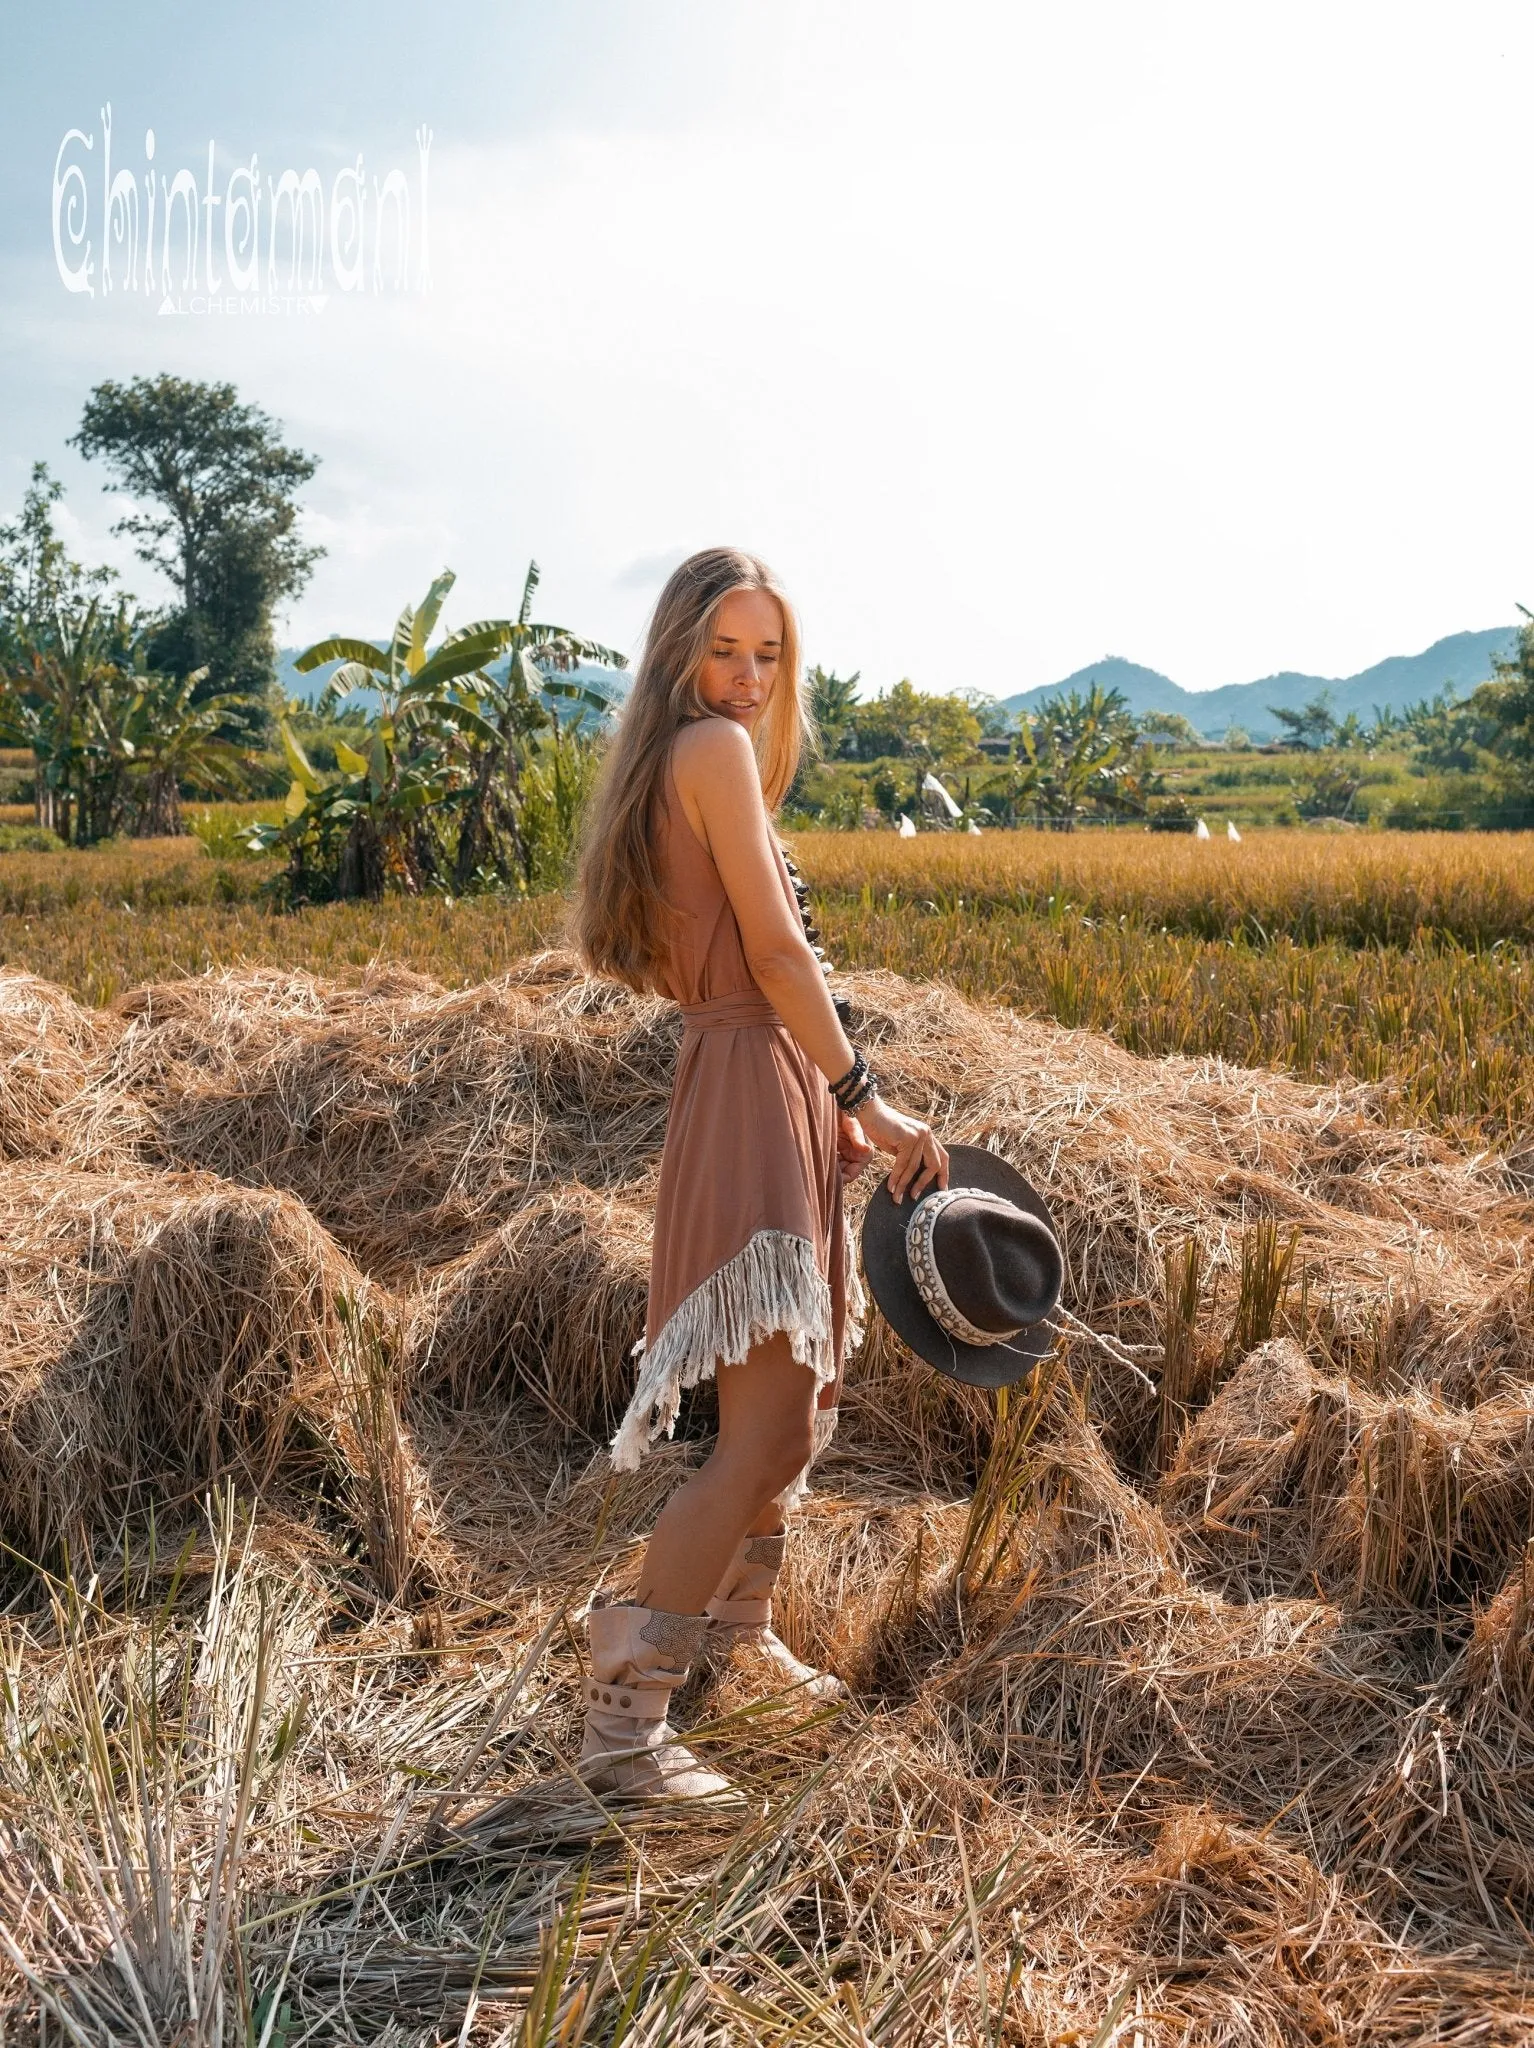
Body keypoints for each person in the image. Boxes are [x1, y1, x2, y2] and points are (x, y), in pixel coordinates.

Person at [570, 546, 949, 1800]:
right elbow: (780, 956)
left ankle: (738, 1630)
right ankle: (625, 1723)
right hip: (752, 1082)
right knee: (765, 1428)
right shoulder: (712, 752)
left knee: (784, 1414)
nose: (745, 676)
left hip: (754, 1082)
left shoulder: (679, 760)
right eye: (724, 648)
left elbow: (758, 964)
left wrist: (820, 1106)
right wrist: (866, 1098)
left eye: (767, 654)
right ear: (681, 650)